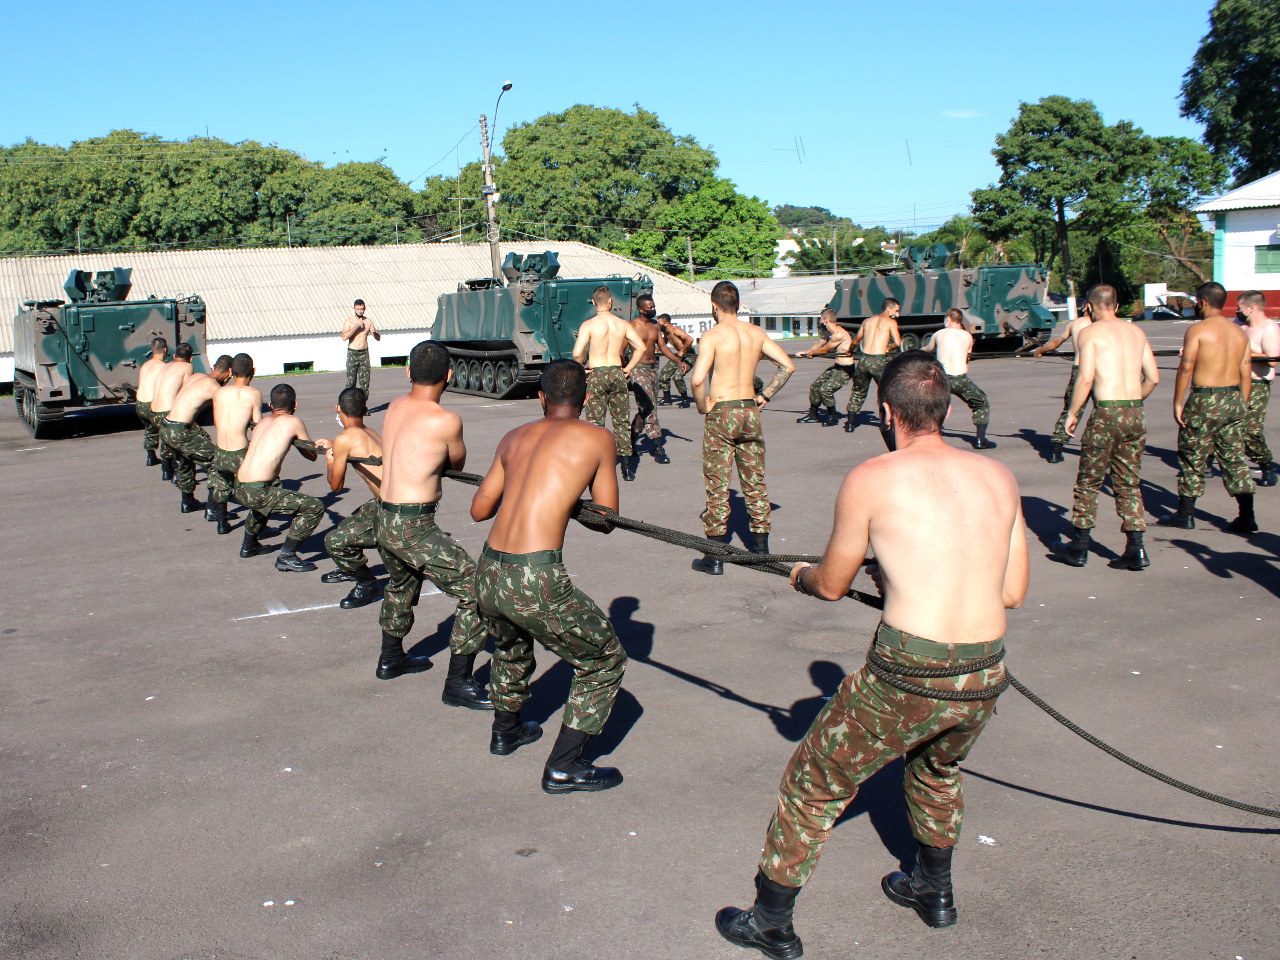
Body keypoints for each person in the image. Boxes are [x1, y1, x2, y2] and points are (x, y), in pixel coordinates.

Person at [715, 352, 1028, 957]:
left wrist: (803, 575)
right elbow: (1011, 592)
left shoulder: (873, 477)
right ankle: (934, 892)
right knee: (937, 770)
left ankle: (770, 920)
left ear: (887, 411)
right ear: (945, 408)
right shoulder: (999, 477)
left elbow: (831, 584)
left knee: (814, 781)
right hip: (984, 668)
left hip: (909, 667)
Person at [470, 359, 628, 793]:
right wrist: (567, 499)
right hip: (533, 576)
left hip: (489, 571)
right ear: (587, 398)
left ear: (541, 396)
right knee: (604, 660)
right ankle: (564, 766)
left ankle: (506, 730)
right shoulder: (597, 437)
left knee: (510, 642)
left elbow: (479, 510)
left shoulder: (513, 437)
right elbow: (607, 519)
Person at [373, 341, 492, 703]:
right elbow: (456, 463)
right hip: (413, 524)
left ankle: (391, 658)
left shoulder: (395, 405)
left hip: (385, 516)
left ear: (408, 372)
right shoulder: (445, 419)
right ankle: (458, 682)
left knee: (401, 584)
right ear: (450, 376)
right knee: (476, 593)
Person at [689, 281, 794, 572]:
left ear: (714, 305)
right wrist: (765, 395)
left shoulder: (712, 336)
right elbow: (787, 366)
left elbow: (698, 379)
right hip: (749, 410)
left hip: (722, 411)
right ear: (738, 304)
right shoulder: (755, 333)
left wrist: (703, 405)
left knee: (718, 485)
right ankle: (761, 553)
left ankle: (715, 557)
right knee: (755, 482)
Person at [1056, 285, 1160, 570]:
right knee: (1128, 481)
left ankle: (1079, 546)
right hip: (1134, 410)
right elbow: (1152, 377)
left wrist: (1073, 412)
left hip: (1107, 412)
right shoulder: (1136, 332)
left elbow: (1086, 378)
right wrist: (1132, 401)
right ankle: (1135, 548)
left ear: (1089, 307)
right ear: (1116, 304)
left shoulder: (1091, 333)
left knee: (1089, 480)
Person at [1158, 281, 1257, 533]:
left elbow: (1186, 368)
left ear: (1202, 303)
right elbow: (1246, 373)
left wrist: (1178, 402)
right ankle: (1247, 515)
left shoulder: (1198, 330)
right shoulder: (1239, 333)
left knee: (1193, 455)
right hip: (1234, 397)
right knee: (1234, 457)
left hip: (1205, 398)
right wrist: (1242, 404)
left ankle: (1186, 513)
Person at [234, 383, 325, 573]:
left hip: (240, 486)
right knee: (314, 507)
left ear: (270, 405)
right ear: (295, 405)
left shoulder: (262, 423)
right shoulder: (293, 421)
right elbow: (312, 455)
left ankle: (249, 545)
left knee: (268, 496)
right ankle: (287, 555)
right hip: (257, 491)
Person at [316, 387, 384, 610]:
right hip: (386, 499)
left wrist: (330, 458)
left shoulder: (345, 438)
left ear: (338, 408)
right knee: (347, 524)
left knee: (334, 541)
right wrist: (333, 447)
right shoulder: (371, 431)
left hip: (390, 506)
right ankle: (348, 567)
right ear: (365, 410)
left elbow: (336, 486)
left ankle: (366, 584)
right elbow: (349, 446)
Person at [572, 286, 646, 480]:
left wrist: (581, 369)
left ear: (594, 302)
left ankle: (594, 465)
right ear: (611, 302)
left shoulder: (588, 325)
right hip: (616, 371)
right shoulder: (622, 324)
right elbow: (641, 347)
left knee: (595, 423)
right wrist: (628, 368)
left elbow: (577, 353)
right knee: (621, 420)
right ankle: (627, 468)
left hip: (597, 372)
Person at [161, 354, 234, 514]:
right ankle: (214, 510)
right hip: (181, 430)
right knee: (218, 463)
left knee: (186, 460)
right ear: (229, 372)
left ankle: (188, 502)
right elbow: (227, 413)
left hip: (167, 427)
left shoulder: (197, 376)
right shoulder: (214, 387)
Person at [627, 294, 687, 466]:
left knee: (645, 409)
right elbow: (621, 349)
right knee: (651, 407)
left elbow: (662, 348)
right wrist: (624, 370)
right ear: (641, 309)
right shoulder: (631, 327)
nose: (653, 310)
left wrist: (678, 360)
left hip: (653, 369)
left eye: (654, 306)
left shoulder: (655, 326)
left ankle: (628, 441)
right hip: (638, 369)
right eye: (650, 308)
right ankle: (658, 447)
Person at [925, 308, 997, 448]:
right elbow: (967, 356)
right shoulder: (968, 336)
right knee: (981, 402)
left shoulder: (939, 334)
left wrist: (914, 352)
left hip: (942, 378)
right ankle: (980, 439)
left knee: (935, 404)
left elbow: (929, 349)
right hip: (960, 379)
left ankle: (928, 434)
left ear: (948, 319)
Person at [209, 353, 261, 536]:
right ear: (253, 372)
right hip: (239, 450)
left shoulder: (219, 392)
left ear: (230, 371)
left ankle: (222, 522)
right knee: (258, 487)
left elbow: (216, 421)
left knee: (222, 484)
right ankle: (256, 528)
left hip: (221, 448)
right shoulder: (253, 394)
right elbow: (257, 426)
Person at [1034, 305, 1095, 463]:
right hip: (1099, 370)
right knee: (1103, 409)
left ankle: (1057, 448)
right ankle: (1096, 447)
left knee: (1071, 409)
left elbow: (1055, 343)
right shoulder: (1101, 325)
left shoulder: (1075, 324)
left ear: (1086, 307)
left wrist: (1041, 349)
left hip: (1079, 369)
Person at [1237, 290, 1278, 487]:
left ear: (1251, 308)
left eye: (1241, 307)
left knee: (1251, 430)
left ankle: (1266, 464)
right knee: (1225, 425)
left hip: (1256, 383)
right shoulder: (1239, 327)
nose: (1239, 311)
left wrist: (1245, 352)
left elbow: (1271, 361)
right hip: (1235, 382)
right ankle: (1210, 463)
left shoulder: (1268, 328)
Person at [843, 299, 903, 432]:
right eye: (896, 310)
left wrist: (849, 351)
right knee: (885, 392)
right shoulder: (891, 322)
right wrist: (888, 348)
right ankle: (886, 422)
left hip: (864, 360)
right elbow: (898, 343)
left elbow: (856, 340)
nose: (897, 314)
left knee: (858, 391)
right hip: (878, 360)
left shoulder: (867, 321)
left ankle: (850, 423)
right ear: (888, 309)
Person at [796, 309, 855, 426]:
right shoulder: (828, 333)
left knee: (825, 389)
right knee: (815, 386)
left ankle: (833, 416)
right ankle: (813, 415)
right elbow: (819, 345)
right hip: (837, 367)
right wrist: (805, 352)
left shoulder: (839, 334)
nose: (820, 322)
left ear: (825, 320)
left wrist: (812, 353)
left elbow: (824, 350)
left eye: (821, 319)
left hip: (846, 369)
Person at [150, 343, 197, 483]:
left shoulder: (166, 365)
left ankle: (167, 469)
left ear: (175, 355)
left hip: (154, 410)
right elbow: (187, 389)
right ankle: (180, 474)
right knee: (184, 440)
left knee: (167, 441)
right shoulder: (187, 367)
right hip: (167, 412)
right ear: (191, 358)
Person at [135, 337, 168, 467]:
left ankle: (150, 456)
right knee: (166, 431)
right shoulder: (163, 367)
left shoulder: (145, 365)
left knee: (150, 428)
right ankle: (167, 464)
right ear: (164, 350)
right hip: (152, 403)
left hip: (140, 404)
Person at [342, 299, 380, 395]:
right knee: (351, 383)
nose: (360, 311)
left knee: (365, 383)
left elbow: (378, 338)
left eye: (362, 309)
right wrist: (356, 326)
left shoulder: (368, 321)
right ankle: (350, 406)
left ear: (364, 309)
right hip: (353, 353)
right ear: (354, 309)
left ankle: (362, 407)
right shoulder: (349, 321)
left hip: (364, 354)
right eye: (358, 309)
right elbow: (344, 337)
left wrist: (375, 333)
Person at [656, 315, 695, 407]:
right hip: (679, 356)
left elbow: (690, 339)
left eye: (659, 323)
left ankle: (685, 400)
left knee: (677, 377)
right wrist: (656, 351)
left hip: (689, 355)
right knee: (663, 375)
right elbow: (664, 343)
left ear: (665, 324)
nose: (657, 325)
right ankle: (667, 399)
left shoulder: (676, 330)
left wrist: (682, 350)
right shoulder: (666, 333)